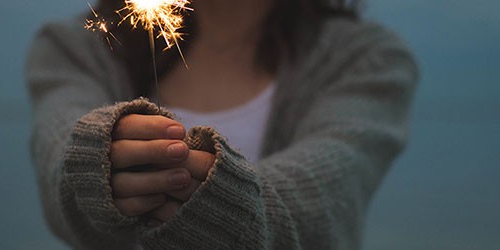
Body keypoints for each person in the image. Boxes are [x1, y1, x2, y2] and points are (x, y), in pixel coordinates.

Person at [25, 0, 418, 249]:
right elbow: (60, 157)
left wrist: (224, 201)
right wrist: (96, 166)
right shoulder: (76, 49)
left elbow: (328, 191)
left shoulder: (366, 59)